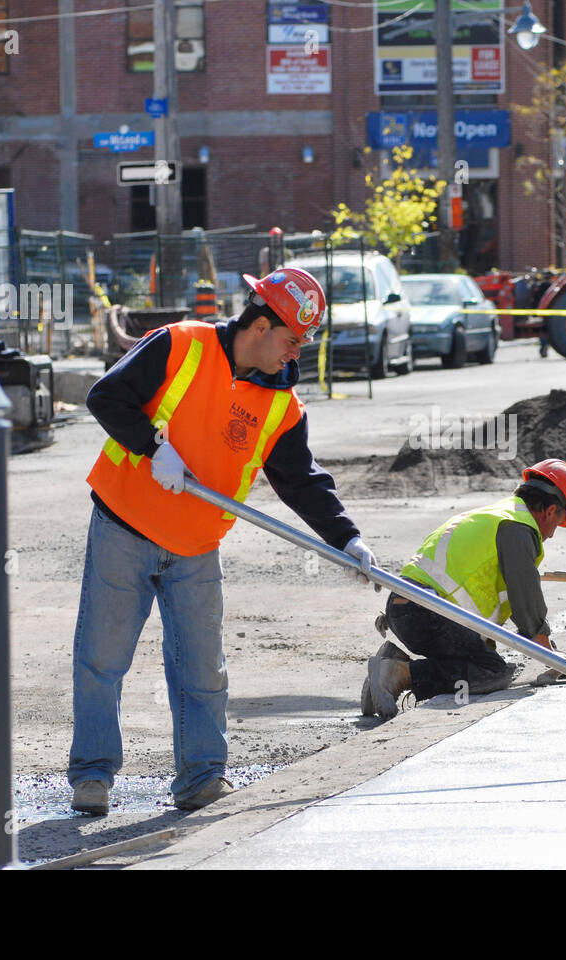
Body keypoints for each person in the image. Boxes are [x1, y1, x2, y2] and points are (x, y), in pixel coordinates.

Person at [69, 266, 377, 816]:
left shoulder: (282, 404)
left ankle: (202, 779)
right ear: (260, 326)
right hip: (124, 524)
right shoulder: (179, 346)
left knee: (201, 670)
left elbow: (301, 480)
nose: (296, 353)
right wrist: (152, 446)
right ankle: (93, 777)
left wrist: (346, 538)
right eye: (292, 339)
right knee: (101, 659)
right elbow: (106, 397)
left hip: (196, 545)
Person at [362, 459, 566, 719]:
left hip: (407, 608)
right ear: (550, 510)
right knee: (492, 671)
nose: (552, 534)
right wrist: (550, 654)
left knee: (480, 658)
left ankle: (392, 663)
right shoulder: (519, 529)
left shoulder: (499, 516)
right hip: (426, 613)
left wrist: (543, 644)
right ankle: (399, 674)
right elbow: (525, 596)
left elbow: (508, 598)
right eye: (558, 523)